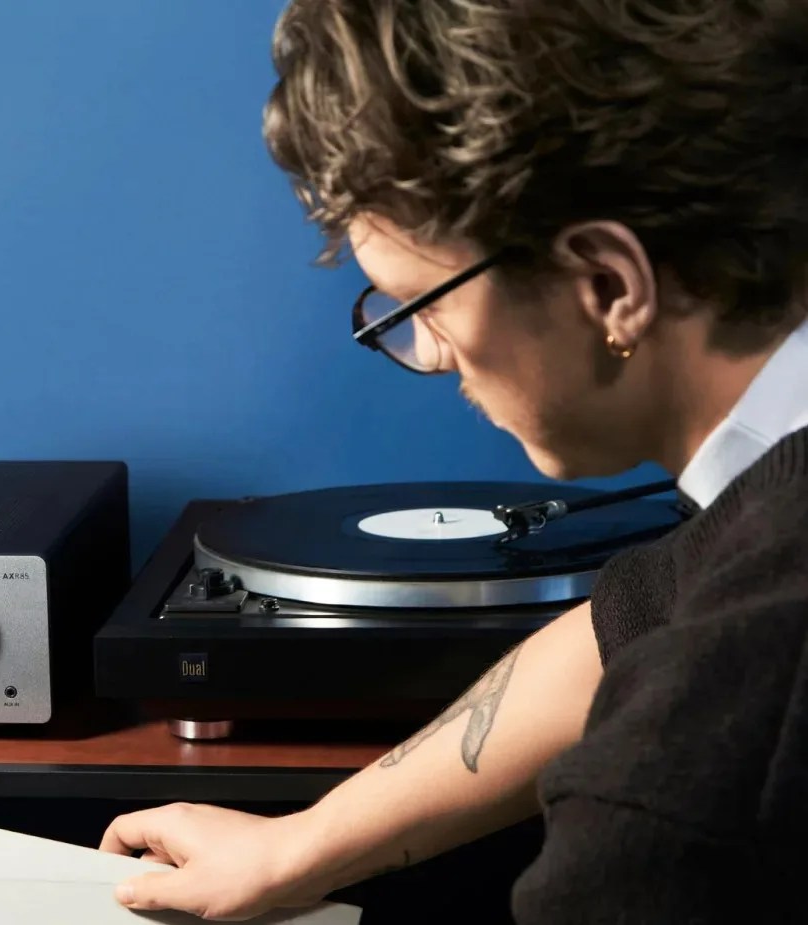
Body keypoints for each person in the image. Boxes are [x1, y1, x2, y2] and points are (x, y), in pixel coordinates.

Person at [98, 1, 808, 921]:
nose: (431, 360)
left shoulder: (671, 814)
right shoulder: (762, 500)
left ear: (607, 285)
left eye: (423, 305)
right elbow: (628, 619)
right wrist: (296, 844)